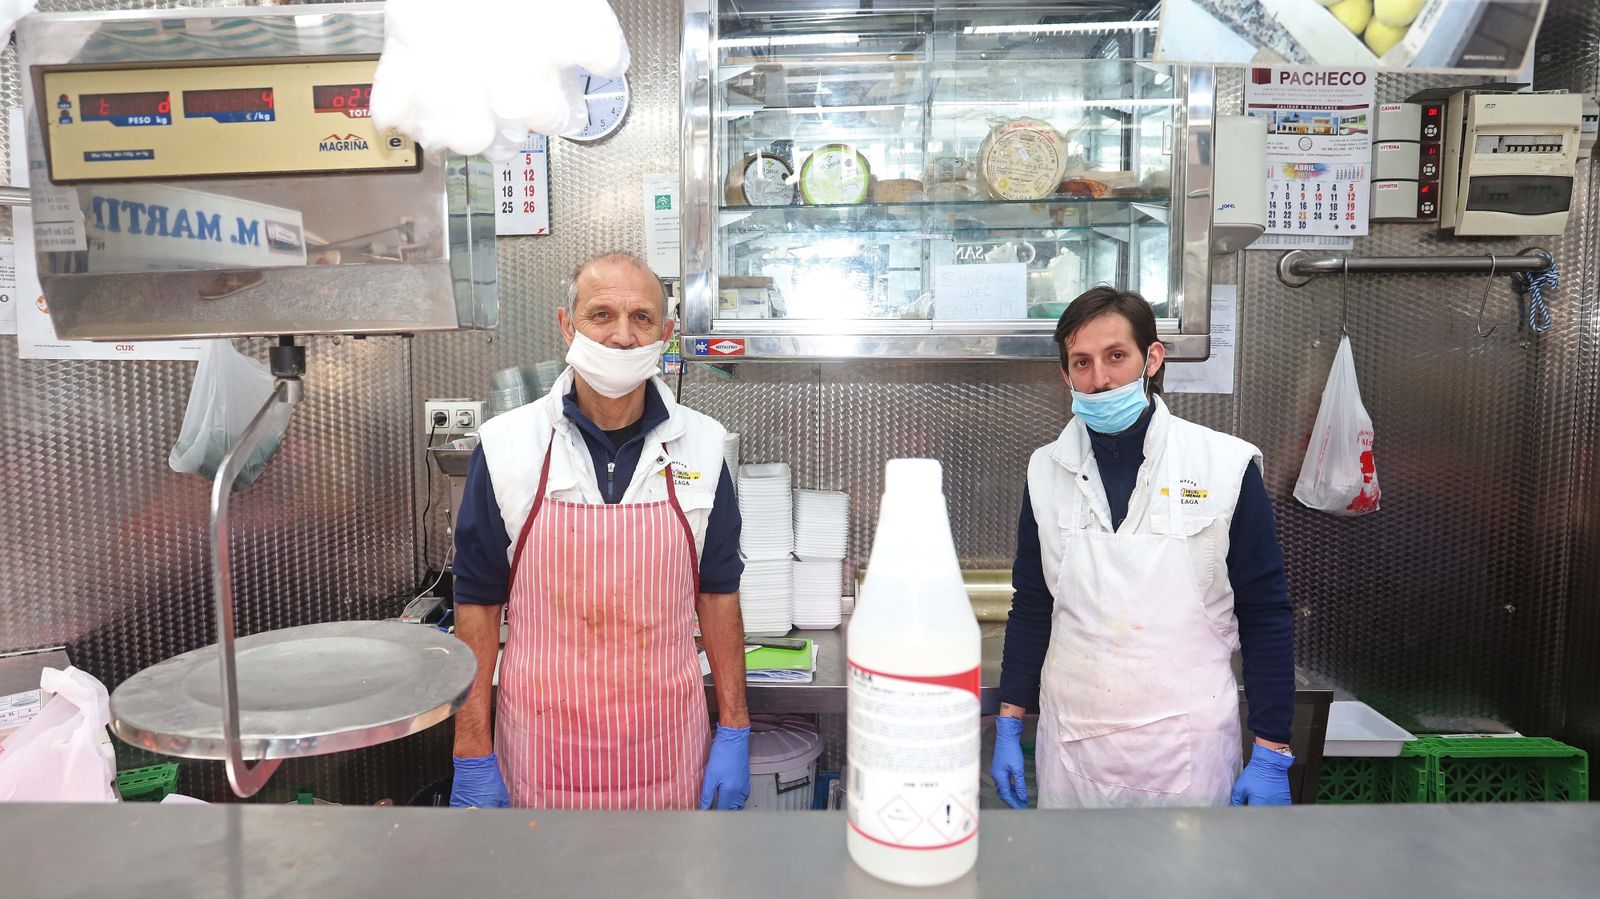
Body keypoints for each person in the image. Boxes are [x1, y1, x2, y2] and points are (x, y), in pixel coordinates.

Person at [448, 251, 751, 810]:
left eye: (640, 319)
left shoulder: (706, 446)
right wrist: (471, 748)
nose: (621, 337)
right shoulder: (506, 444)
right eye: (601, 315)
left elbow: (718, 593)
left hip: (667, 756)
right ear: (567, 325)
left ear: (665, 334)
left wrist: (734, 727)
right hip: (540, 759)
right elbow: (478, 603)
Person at [992, 286, 1296, 809]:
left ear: (1151, 358)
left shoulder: (1223, 466)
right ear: (1066, 375)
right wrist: (1007, 721)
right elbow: (1033, 605)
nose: (1100, 379)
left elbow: (1265, 611)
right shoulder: (1046, 468)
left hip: (1187, 749)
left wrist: (1272, 751)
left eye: (1116, 356)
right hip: (1073, 751)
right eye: (1081, 363)